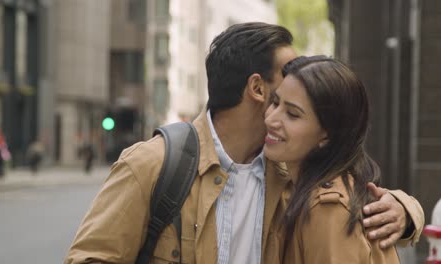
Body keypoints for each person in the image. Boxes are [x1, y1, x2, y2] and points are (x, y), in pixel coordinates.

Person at [65, 23, 423, 264]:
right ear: (257, 88)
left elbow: (348, 199)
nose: (300, 76)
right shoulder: (153, 164)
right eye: (288, 71)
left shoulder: (292, 172)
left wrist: (406, 211)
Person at [263, 55, 417, 263]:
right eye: (275, 102)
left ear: (326, 134)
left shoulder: (328, 209)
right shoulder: (302, 186)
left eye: (292, 114)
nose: (271, 118)